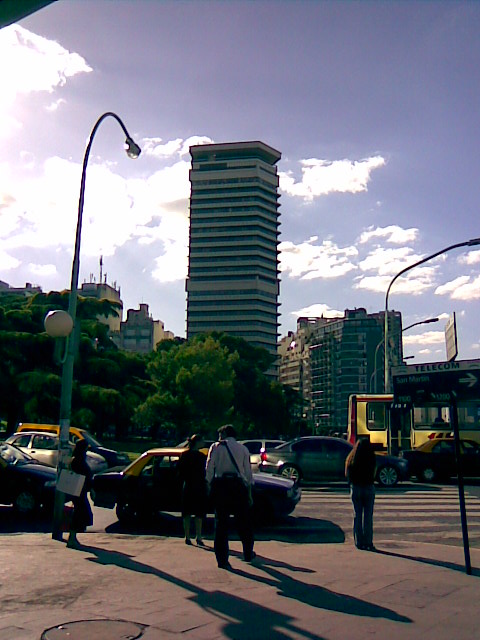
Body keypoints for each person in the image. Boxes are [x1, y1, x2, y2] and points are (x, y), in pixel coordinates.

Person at [206, 424, 254, 569]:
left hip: (221, 486)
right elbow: (248, 474)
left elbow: (209, 468)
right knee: (243, 521)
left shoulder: (216, 447)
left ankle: (222, 560)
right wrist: (249, 493)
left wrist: (208, 485)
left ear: (225, 434)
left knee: (221, 524)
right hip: (238, 486)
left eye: (220, 435)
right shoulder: (243, 449)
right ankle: (247, 552)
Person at [345, 438, 377, 551]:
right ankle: (368, 542)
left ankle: (359, 542)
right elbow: (374, 473)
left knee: (357, 515)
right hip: (368, 487)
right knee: (368, 517)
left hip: (356, 488)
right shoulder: (371, 457)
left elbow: (348, 474)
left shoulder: (352, 458)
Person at [176, 433, 208, 546]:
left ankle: (187, 536)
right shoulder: (201, 456)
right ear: (197, 442)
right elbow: (205, 472)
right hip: (198, 486)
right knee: (199, 513)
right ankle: (198, 536)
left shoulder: (184, 455)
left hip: (188, 485)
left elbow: (180, 472)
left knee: (187, 513)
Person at [67, 439, 93, 549]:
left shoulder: (76, 458)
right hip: (78, 489)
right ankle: (72, 537)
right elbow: (83, 473)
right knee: (80, 512)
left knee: (80, 512)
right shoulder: (78, 460)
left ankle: (73, 537)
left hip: (77, 489)